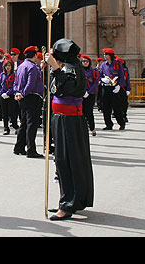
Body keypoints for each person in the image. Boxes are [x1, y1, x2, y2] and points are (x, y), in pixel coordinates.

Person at [44, 38, 94, 221]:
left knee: (66, 162)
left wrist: (56, 69)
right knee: (65, 160)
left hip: (69, 120)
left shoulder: (70, 69)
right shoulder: (69, 67)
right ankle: (70, 199)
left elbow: (65, 89)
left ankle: (68, 204)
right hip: (63, 119)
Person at [13, 46, 44, 158]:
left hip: (23, 98)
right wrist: (23, 93)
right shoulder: (33, 67)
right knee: (32, 124)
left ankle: (19, 147)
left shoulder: (21, 66)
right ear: (35, 55)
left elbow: (16, 82)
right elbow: (30, 84)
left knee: (24, 123)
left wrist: (18, 92)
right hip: (31, 97)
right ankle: (31, 149)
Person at [98, 48, 126, 130]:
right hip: (106, 87)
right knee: (106, 107)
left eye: (106, 54)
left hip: (114, 87)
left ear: (110, 55)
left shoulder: (117, 64)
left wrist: (119, 86)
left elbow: (121, 75)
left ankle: (121, 123)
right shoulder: (103, 65)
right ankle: (108, 124)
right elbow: (99, 74)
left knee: (116, 107)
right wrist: (102, 79)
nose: (105, 56)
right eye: (104, 55)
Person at [0, 58, 19, 135]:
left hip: (11, 96)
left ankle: (15, 126)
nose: (8, 67)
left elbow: (15, 86)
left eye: (9, 65)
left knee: (12, 112)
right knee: (4, 113)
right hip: (3, 96)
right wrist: (1, 93)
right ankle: (6, 128)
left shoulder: (14, 75)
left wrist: (8, 93)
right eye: (6, 66)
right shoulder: (1, 75)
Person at [80, 54, 99, 136]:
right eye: (83, 61)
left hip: (90, 94)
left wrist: (89, 91)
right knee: (81, 112)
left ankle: (92, 128)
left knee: (89, 112)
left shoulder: (93, 71)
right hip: (81, 93)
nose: (85, 63)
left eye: (86, 61)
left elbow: (95, 83)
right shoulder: (79, 71)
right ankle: (82, 129)